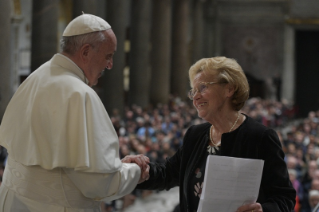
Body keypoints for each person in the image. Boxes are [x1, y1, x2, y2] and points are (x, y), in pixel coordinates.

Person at [0, 14, 149, 211]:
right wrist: (135, 171)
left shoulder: (36, 77)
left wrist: (112, 166)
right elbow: (99, 185)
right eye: (108, 56)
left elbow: (72, 166)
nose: (110, 65)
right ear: (86, 51)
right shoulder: (80, 95)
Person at [136, 57, 296, 212]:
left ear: (229, 89)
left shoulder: (260, 137)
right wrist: (141, 170)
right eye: (193, 91)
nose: (196, 97)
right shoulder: (195, 135)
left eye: (203, 88)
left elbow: (284, 198)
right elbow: (168, 173)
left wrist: (263, 210)